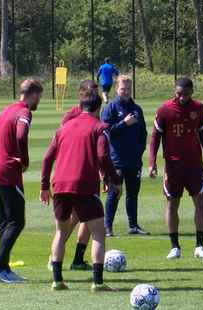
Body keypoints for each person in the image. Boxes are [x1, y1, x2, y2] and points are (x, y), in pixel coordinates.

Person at [40, 92, 122, 292]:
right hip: (84, 185)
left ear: (80, 106)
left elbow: (47, 158)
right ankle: (98, 282)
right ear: (98, 109)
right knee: (98, 233)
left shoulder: (63, 128)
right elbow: (103, 155)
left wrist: (44, 186)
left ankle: (57, 280)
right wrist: (114, 179)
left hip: (59, 185)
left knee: (60, 231)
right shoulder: (99, 127)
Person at [0, 79, 43, 283]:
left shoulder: (6, 110)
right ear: (33, 94)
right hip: (8, 172)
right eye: (39, 97)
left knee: (6, 222)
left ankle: (4, 268)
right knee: (17, 221)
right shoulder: (24, 112)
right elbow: (21, 134)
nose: (38, 102)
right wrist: (23, 160)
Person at [148, 77, 203, 259]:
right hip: (173, 166)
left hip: (194, 165)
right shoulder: (164, 110)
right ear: (174, 91)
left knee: (201, 203)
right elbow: (155, 138)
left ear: (192, 92)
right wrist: (152, 162)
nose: (182, 98)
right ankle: (174, 246)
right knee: (172, 204)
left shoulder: (199, 108)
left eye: (185, 94)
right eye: (178, 94)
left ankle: (199, 246)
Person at [46, 80, 100, 272]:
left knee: (85, 219)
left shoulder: (97, 111)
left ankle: (77, 258)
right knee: (73, 220)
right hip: (72, 172)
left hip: (89, 173)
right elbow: (63, 141)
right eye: (89, 92)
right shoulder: (72, 115)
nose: (93, 95)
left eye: (95, 91)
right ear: (80, 94)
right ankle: (55, 258)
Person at [101, 75, 149, 236]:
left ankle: (133, 226)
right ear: (116, 89)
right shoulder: (111, 108)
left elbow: (143, 133)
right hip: (116, 160)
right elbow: (105, 132)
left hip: (134, 160)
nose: (126, 92)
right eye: (123, 89)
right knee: (114, 193)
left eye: (128, 89)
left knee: (133, 194)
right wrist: (123, 124)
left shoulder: (137, 109)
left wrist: (140, 150)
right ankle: (107, 227)